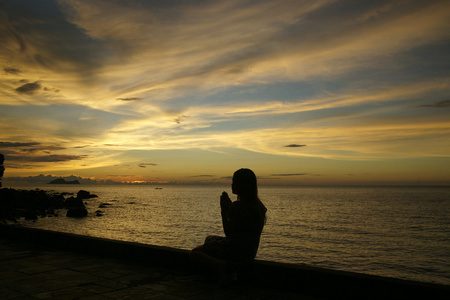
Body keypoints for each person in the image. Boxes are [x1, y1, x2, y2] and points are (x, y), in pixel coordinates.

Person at [190, 168, 267, 284]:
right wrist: (230, 209)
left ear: (243, 185)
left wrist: (224, 210)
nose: (232, 185)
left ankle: (221, 265)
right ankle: (228, 273)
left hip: (235, 253)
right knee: (209, 238)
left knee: (195, 253)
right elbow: (242, 231)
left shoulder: (238, 206)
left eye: (235, 181)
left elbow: (229, 233)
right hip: (249, 253)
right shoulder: (258, 207)